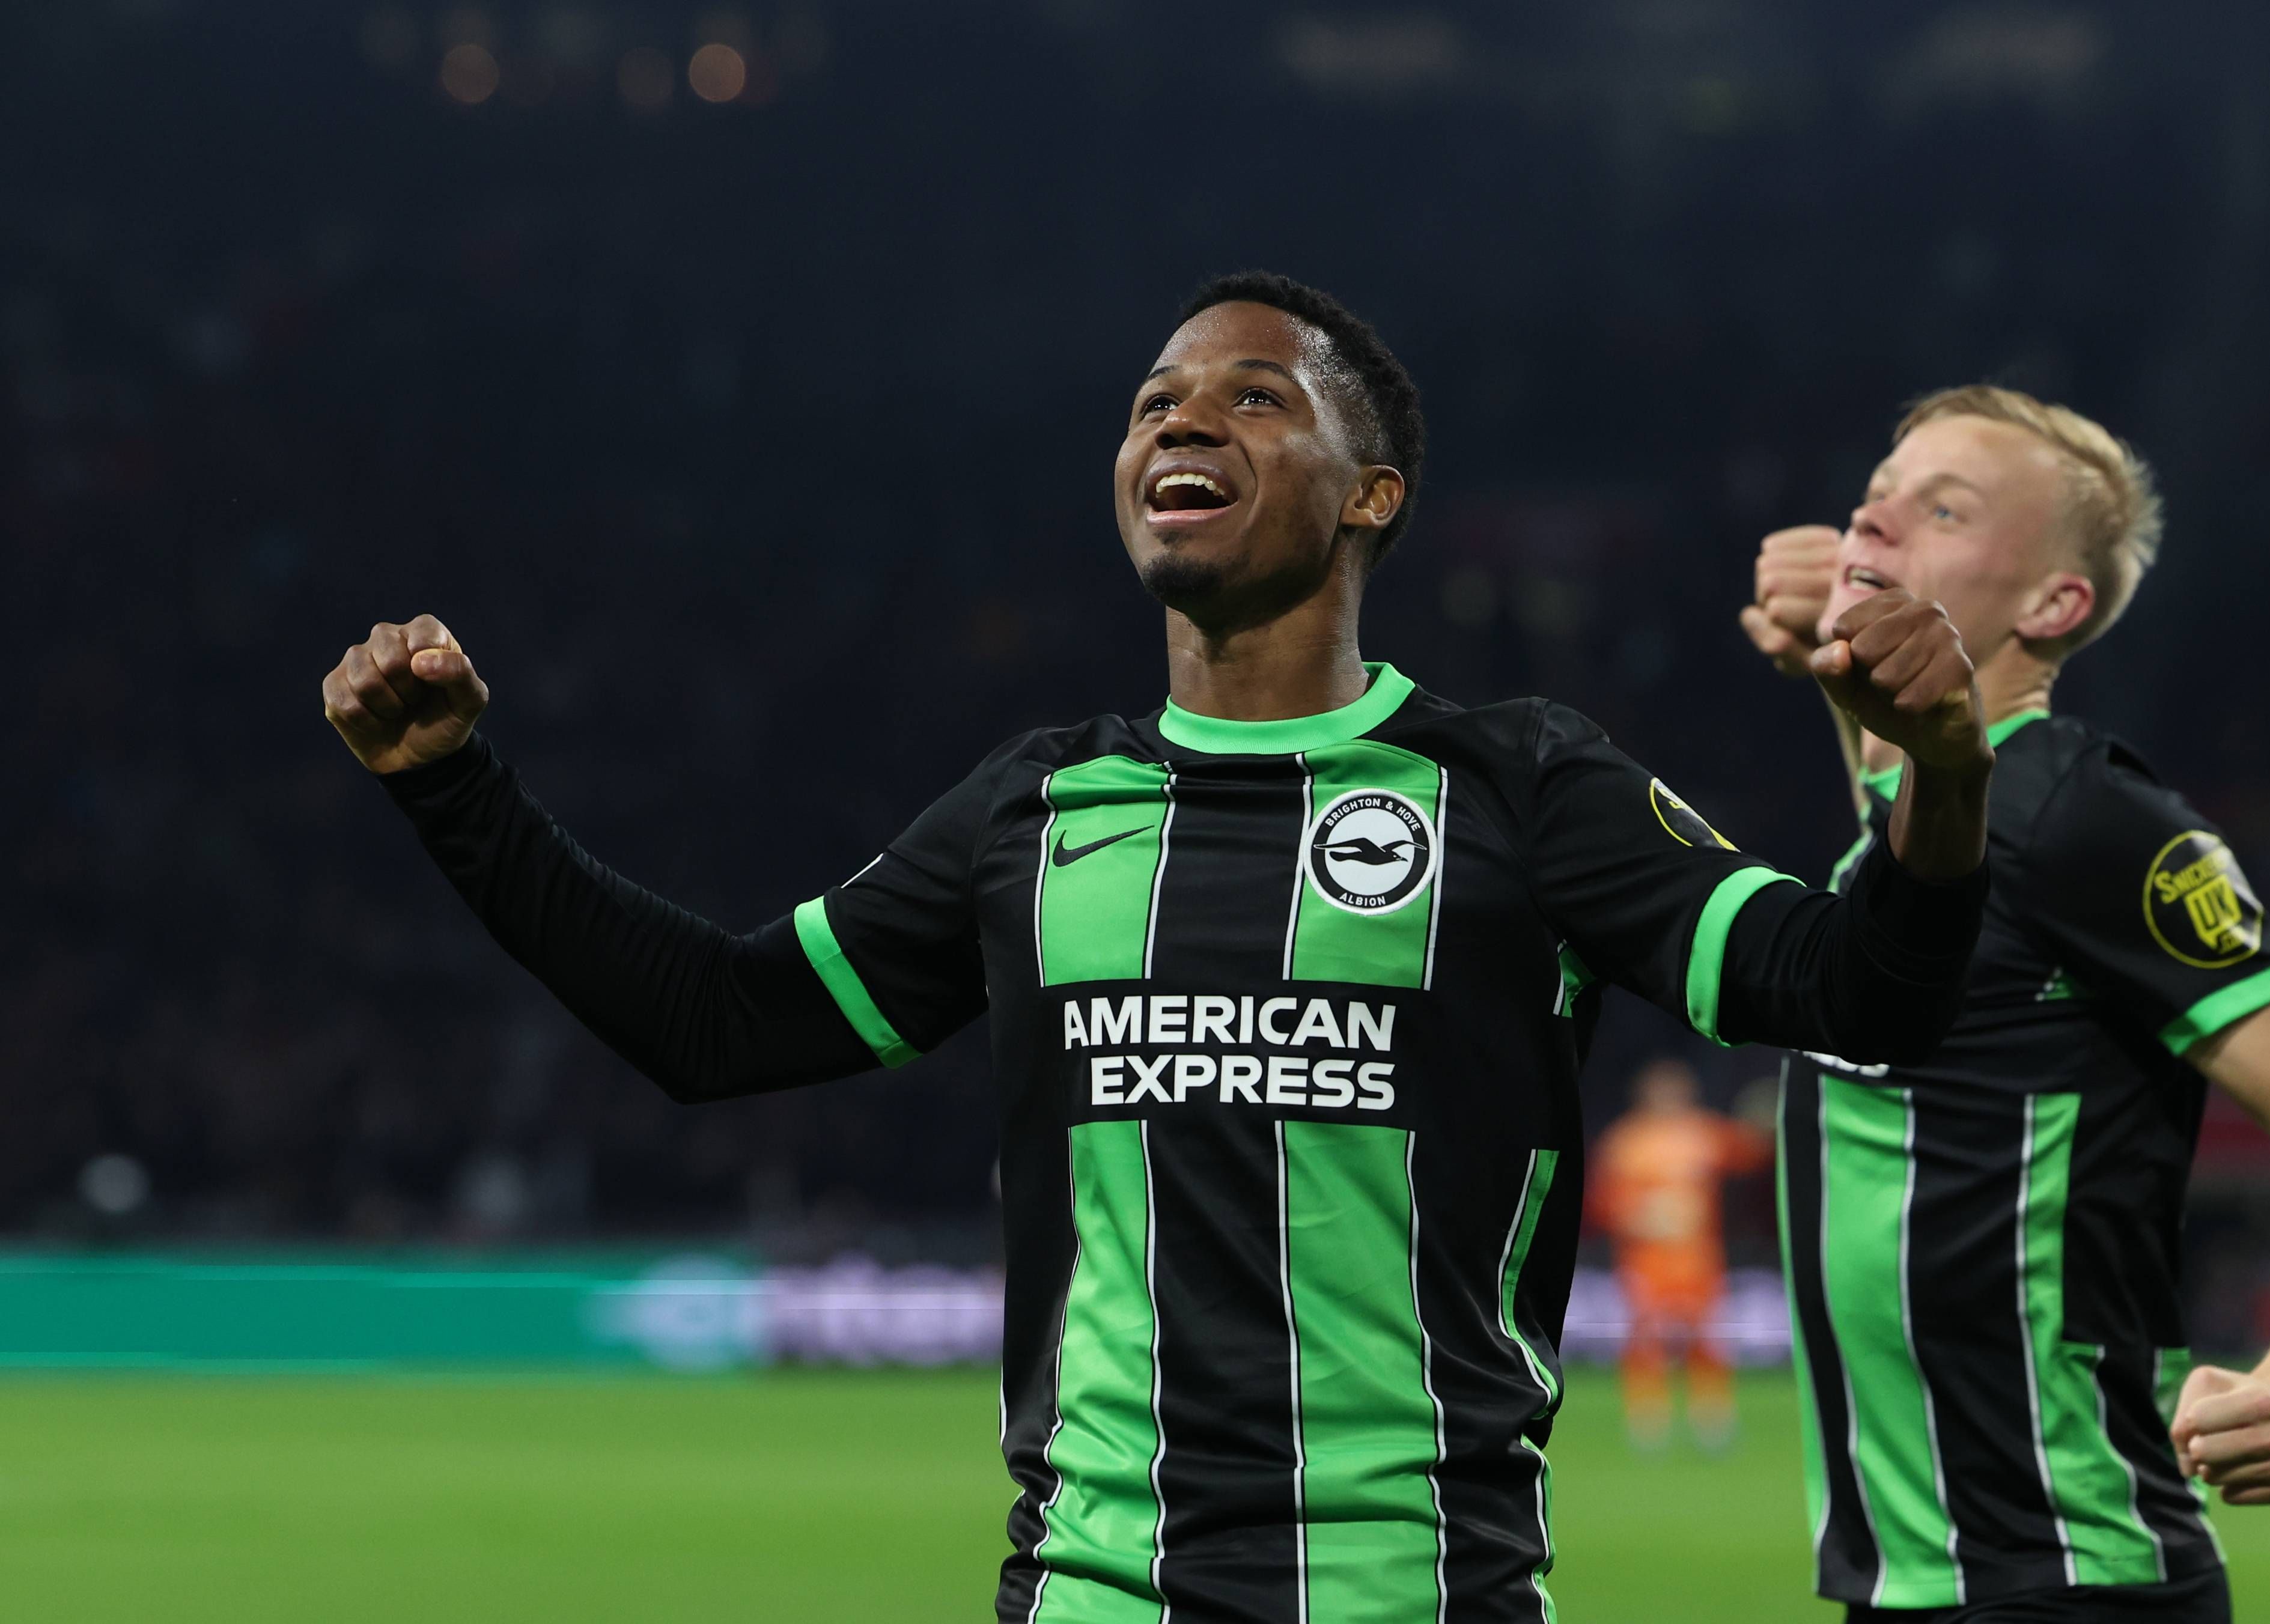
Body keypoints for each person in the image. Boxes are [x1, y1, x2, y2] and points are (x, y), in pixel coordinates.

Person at [324, 272, 1999, 1623]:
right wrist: (454, 793)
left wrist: (1940, 773)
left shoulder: (1521, 785)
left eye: (1255, 396)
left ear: (1373, 493)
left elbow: (1857, 989)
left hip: (1421, 1590)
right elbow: (715, 1020)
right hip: (1091, 1591)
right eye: (1152, 404)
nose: (1182, 418)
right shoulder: (1035, 807)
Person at [1739, 386, 2270, 1623]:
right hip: (1916, 1584)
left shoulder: (2078, 814)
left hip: (2067, 1575)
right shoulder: (1905, 838)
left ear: (2051, 606)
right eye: (1875, 497)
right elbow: (1922, 824)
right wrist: (1829, 669)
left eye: (1943, 510)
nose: (1873, 520)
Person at [1585, 1057, 1772, 1450]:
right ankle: (1648, 1418)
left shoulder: (1700, 1132)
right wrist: (1641, 1217)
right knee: (1646, 1341)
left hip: (1697, 1257)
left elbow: (1747, 1149)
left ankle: (1712, 1417)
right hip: (1646, 1259)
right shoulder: (1627, 1142)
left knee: (1707, 1340)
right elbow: (1603, 1205)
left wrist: (1764, 1117)